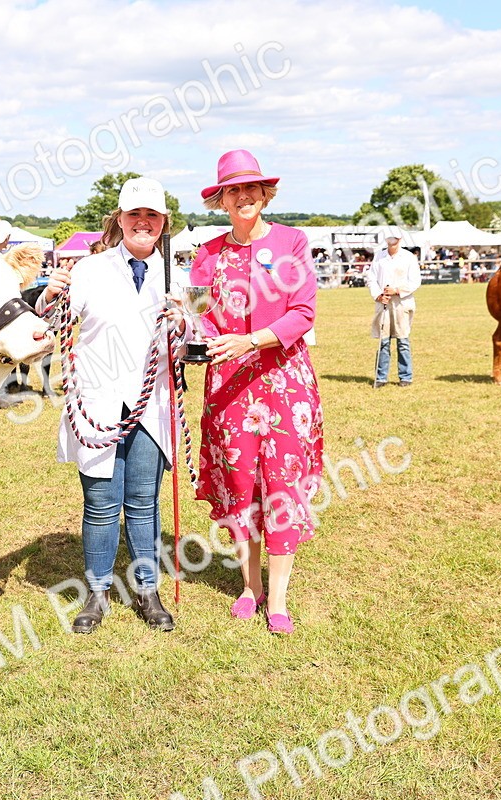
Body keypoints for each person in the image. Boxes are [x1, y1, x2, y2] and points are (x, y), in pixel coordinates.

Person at [35, 177, 182, 634]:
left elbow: (191, 343)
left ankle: (146, 590)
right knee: (100, 503)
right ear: (119, 220)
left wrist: (184, 322)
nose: (143, 222)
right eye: (134, 214)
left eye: (152, 216)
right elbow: (48, 326)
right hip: (97, 404)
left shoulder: (178, 275)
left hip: (152, 406)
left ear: (163, 223)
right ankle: (97, 594)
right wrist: (47, 294)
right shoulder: (89, 270)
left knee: (144, 502)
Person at [189, 149, 324, 635]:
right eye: (233, 190)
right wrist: (196, 336)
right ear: (221, 199)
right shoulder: (207, 255)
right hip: (228, 386)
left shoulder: (292, 242)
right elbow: (199, 315)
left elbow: (303, 312)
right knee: (241, 486)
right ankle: (250, 586)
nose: (243, 197)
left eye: (251, 188)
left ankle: (280, 597)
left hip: (285, 382)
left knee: (282, 487)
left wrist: (250, 340)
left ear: (265, 194)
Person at [367, 229, 422, 387]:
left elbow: (415, 281)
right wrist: (378, 295)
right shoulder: (379, 256)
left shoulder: (409, 257)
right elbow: (371, 278)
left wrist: (397, 290)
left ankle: (406, 376)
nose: (392, 241)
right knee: (383, 341)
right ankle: (381, 377)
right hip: (383, 303)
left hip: (401, 303)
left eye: (395, 238)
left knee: (402, 340)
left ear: (400, 239)